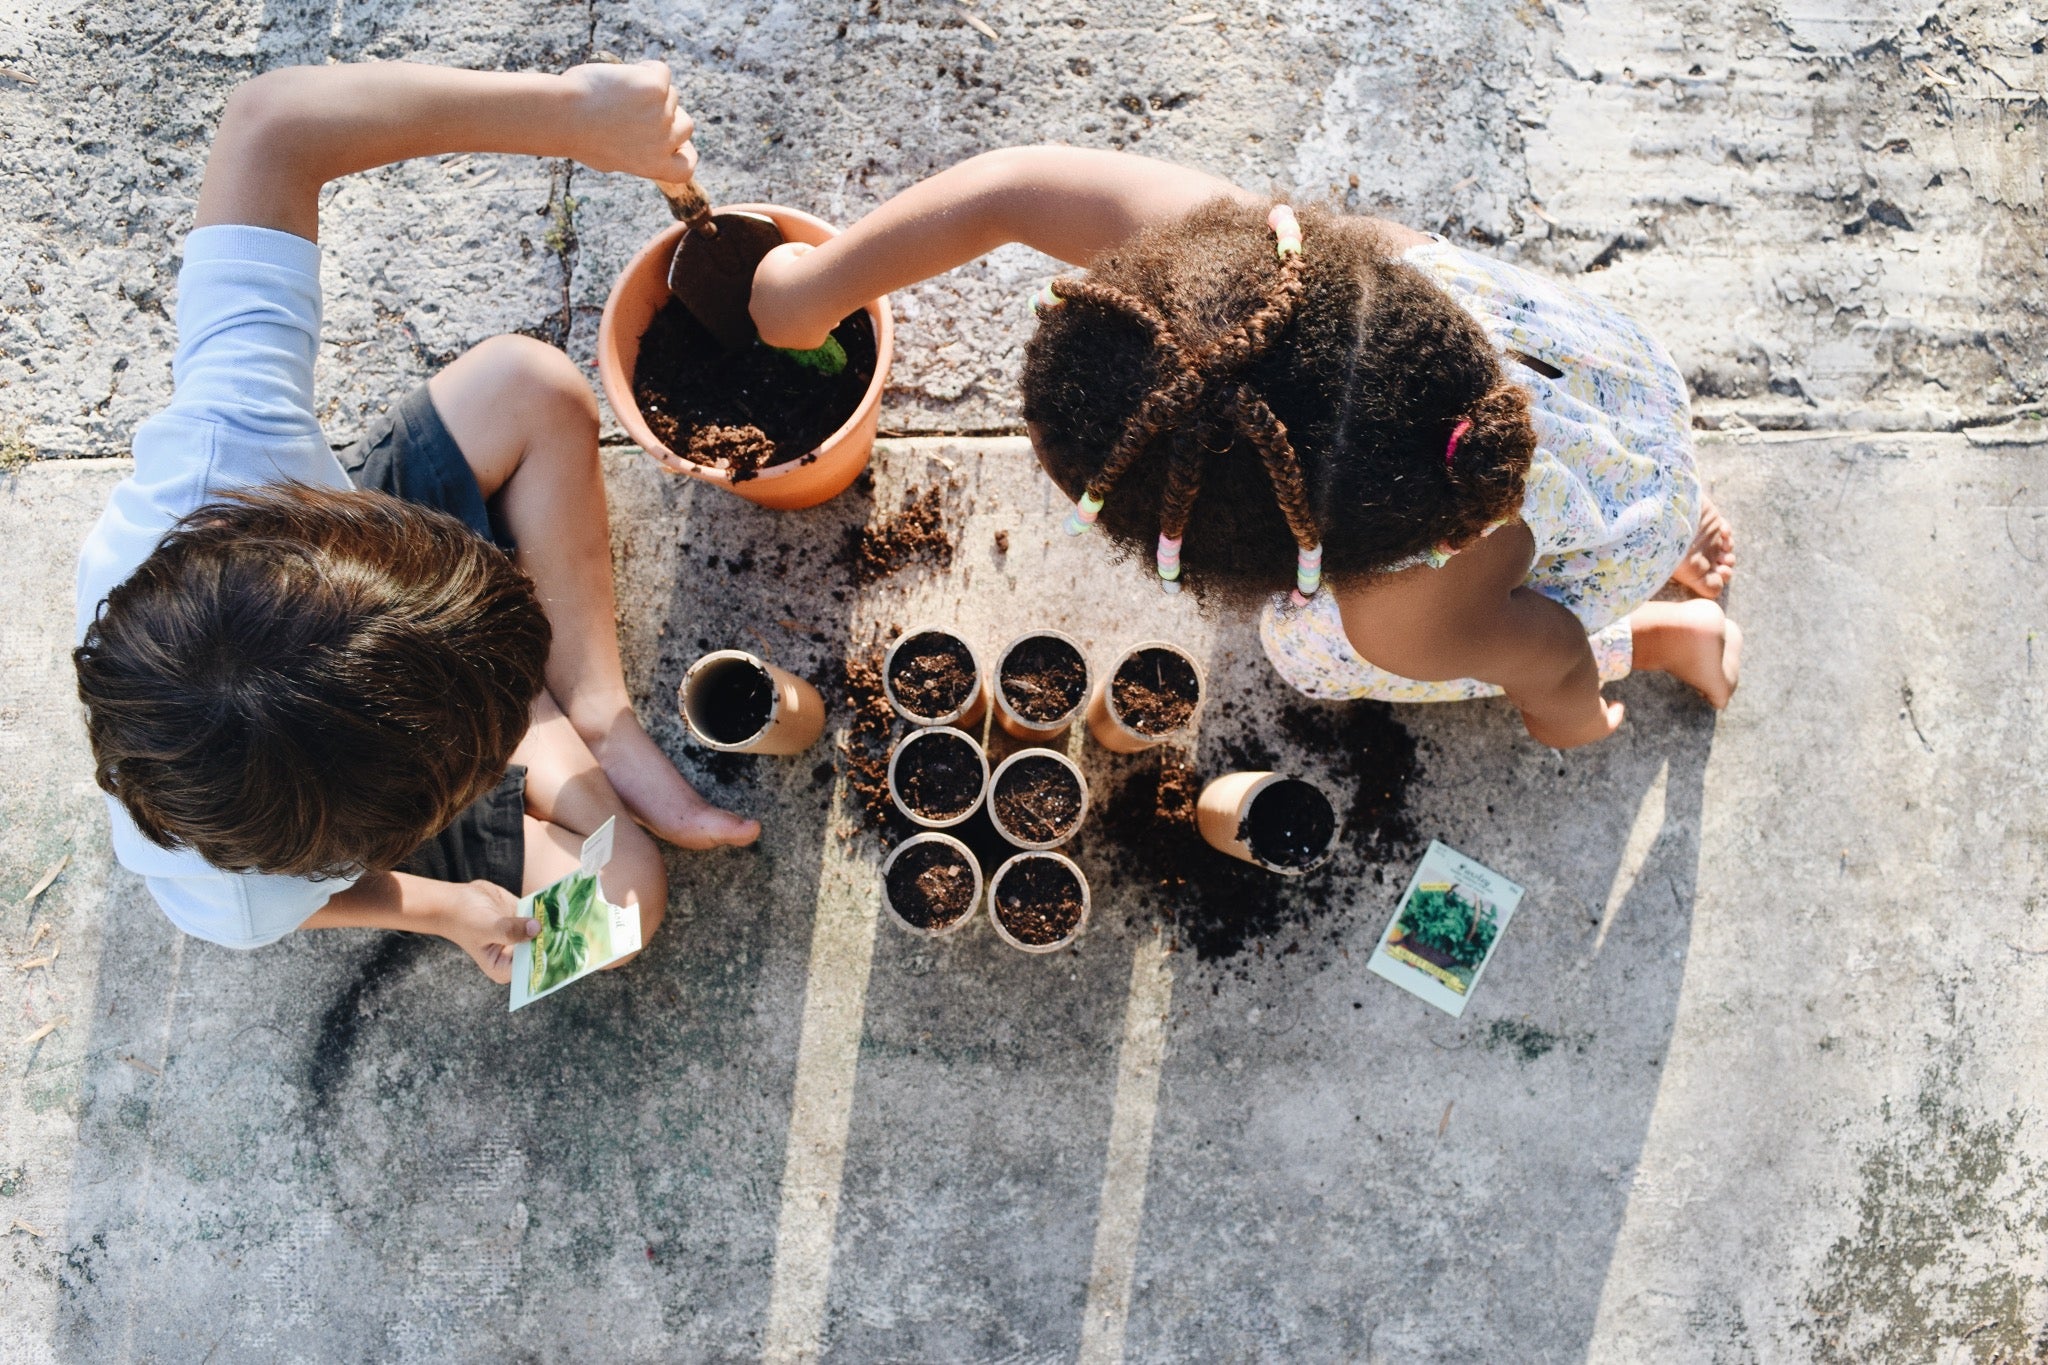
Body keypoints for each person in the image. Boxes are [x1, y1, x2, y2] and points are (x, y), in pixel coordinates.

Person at [73, 60, 758, 982]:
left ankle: (592, 713)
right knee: (617, 906)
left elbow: (273, 125)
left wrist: (577, 118)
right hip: (335, 764)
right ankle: (552, 733)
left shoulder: (226, 453)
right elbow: (311, 902)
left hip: (324, 633)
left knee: (531, 385)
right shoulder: (239, 890)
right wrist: (444, 910)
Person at [750, 148, 1740, 748]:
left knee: (1307, 657)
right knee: (1600, 478)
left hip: (1551, 548)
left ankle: (1662, 630)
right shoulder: (1267, 280)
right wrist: (814, 287)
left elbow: (1549, 656)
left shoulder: (1401, 605)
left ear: (1264, 566)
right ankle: (1655, 499)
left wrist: (1567, 716)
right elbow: (1009, 190)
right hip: (1606, 394)